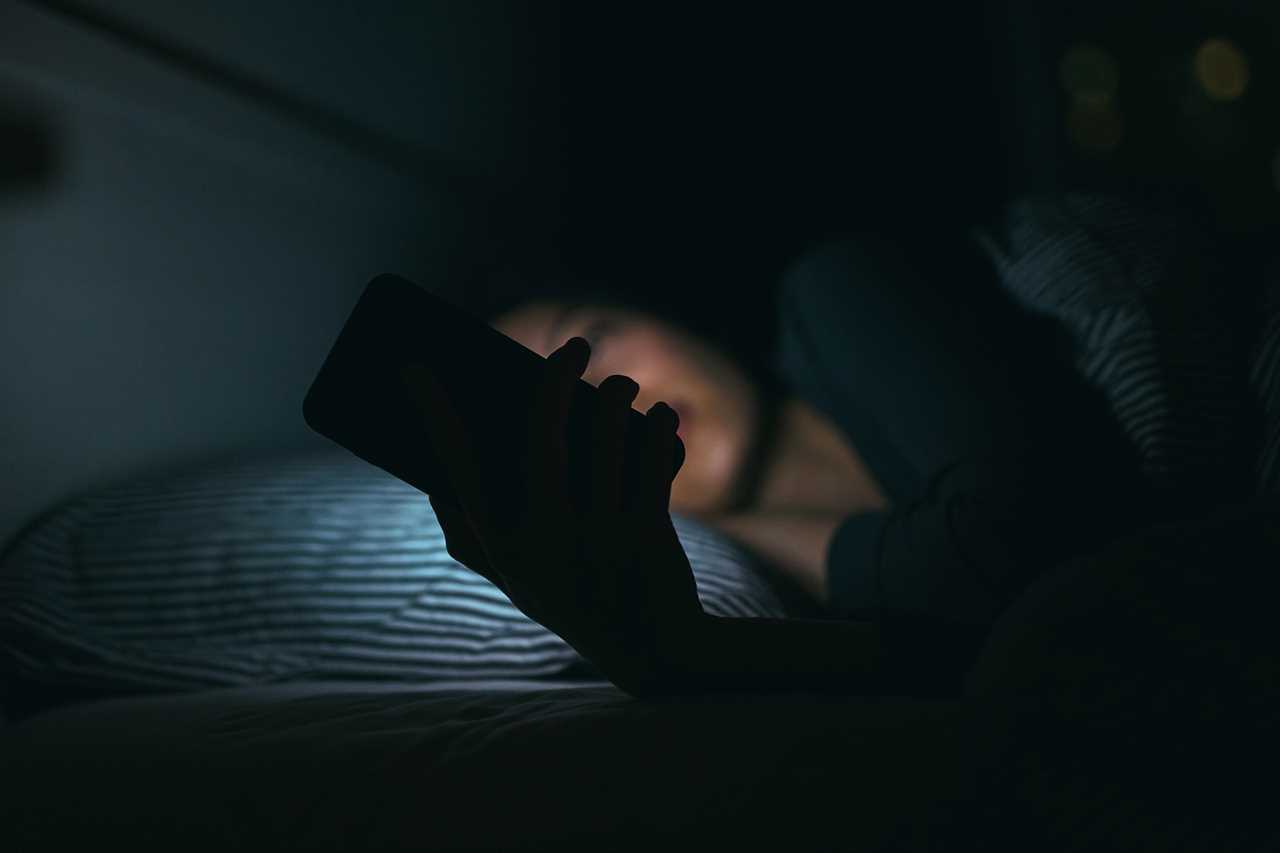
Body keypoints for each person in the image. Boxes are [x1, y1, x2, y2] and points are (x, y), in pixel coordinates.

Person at [401, 226, 1157, 699]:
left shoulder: (838, 287)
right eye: (557, 411)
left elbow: (1060, 555)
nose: (603, 395)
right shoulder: (790, 597)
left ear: (665, 313)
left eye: (590, 342)